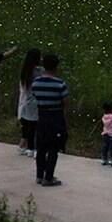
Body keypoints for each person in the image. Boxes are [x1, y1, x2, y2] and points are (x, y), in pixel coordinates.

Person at [29, 53, 69, 187]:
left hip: (41, 116)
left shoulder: (36, 82)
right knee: (53, 147)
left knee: (41, 147)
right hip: (55, 116)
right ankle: (49, 177)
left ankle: (39, 175)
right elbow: (65, 101)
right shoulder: (59, 84)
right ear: (56, 66)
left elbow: (35, 95)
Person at [16, 48, 43, 156]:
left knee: (28, 124)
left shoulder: (25, 70)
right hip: (35, 101)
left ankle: (28, 146)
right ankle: (33, 148)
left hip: (25, 101)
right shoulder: (38, 71)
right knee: (35, 125)